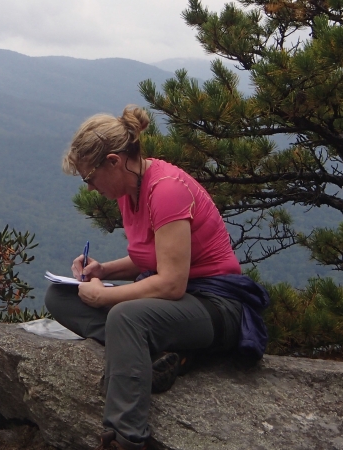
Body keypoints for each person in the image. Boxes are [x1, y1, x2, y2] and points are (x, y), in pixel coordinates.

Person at [45, 105, 270, 450]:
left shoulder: (166, 190)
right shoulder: (129, 191)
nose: (89, 188)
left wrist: (106, 296)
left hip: (216, 306)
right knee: (58, 296)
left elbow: (171, 283)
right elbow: (146, 258)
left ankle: (126, 438)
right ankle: (161, 355)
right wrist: (104, 272)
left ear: (114, 161)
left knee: (125, 317)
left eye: (89, 177)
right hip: (177, 305)